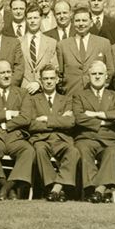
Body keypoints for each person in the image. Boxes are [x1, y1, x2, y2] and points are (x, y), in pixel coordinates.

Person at [22, 65, 78, 201]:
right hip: (41, 139)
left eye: (52, 78)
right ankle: (54, 188)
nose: (49, 81)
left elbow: (70, 122)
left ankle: (56, 188)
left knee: (73, 151)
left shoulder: (66, 99)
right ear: (40, 80)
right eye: (45, 78)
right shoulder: (32, 99)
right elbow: (31, 124)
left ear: (57, 80)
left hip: (61, 139)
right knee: (40, 150)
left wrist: (46, 119)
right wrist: (59, 121)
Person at [0, 60, 33, 200]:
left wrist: (3, 123)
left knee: (29, 151)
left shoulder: (23, 93)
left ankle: (6, 188)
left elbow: (26, 118)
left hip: (16, 137)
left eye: (9, 72)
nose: (6, 75)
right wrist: (9, 114)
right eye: (2, 72)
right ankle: (9, 188)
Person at [72, 61, 115, 203]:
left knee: (112, 152)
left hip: (110, 139)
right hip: (86, 138)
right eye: (93, 74)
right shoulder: (79, 96)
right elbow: (78, 118)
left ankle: (98, 190)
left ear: (106, 76)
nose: (97, 77)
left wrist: (98, 114)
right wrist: (106, 121)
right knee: (82, 150)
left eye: (100, 74)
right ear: (88, 76)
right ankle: (94, 190)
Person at [56, 6, 114, 96]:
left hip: (96, 95)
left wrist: (101, 87)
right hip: (71, 95)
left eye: (84, 20)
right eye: (77, 21)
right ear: (73, 23)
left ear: (91, 23)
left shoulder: (104, 43)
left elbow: (110, 70)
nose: (81, 24)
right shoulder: (62, 45)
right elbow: (60, 74)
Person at [20, 3, 57, 95]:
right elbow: (16, 68)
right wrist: (26, 85)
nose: (32, 21)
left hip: (45, 91)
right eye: (29, 18)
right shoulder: (18, 42)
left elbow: (55, 67)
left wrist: (39, 83)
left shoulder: (52, 42)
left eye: (35, 18)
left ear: (41, 19)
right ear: (25, 20)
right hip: (24, 91)